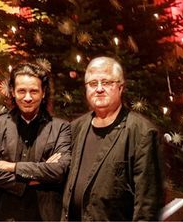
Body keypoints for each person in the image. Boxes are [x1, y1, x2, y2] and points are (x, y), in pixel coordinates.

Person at [62, 56, 164, 221]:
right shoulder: (75, 128)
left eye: (106, 82)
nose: (99, 89)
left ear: (120, 87)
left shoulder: (141, 133)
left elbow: (147, 204)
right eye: (93, 83)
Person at [0, 62, 71, 221]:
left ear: (43, 93)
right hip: (3, 214)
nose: (27, 98)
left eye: (34, 91)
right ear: (13, 92)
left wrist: (12, 167)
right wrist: (30, 181)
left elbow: (58, 171)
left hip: (45, 215)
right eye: (21, 91)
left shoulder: (61, 127)